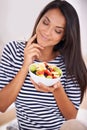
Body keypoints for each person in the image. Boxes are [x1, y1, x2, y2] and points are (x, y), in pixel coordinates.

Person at [0, 0, 87, 129]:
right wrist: (26, 65)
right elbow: (2, 105)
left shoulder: (70, 63)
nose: (47, 32)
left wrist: (57, 89)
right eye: (45, 22)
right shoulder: (13, 50)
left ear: (64, 36)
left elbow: (71, 117)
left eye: (57, 31)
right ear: (39, 19)